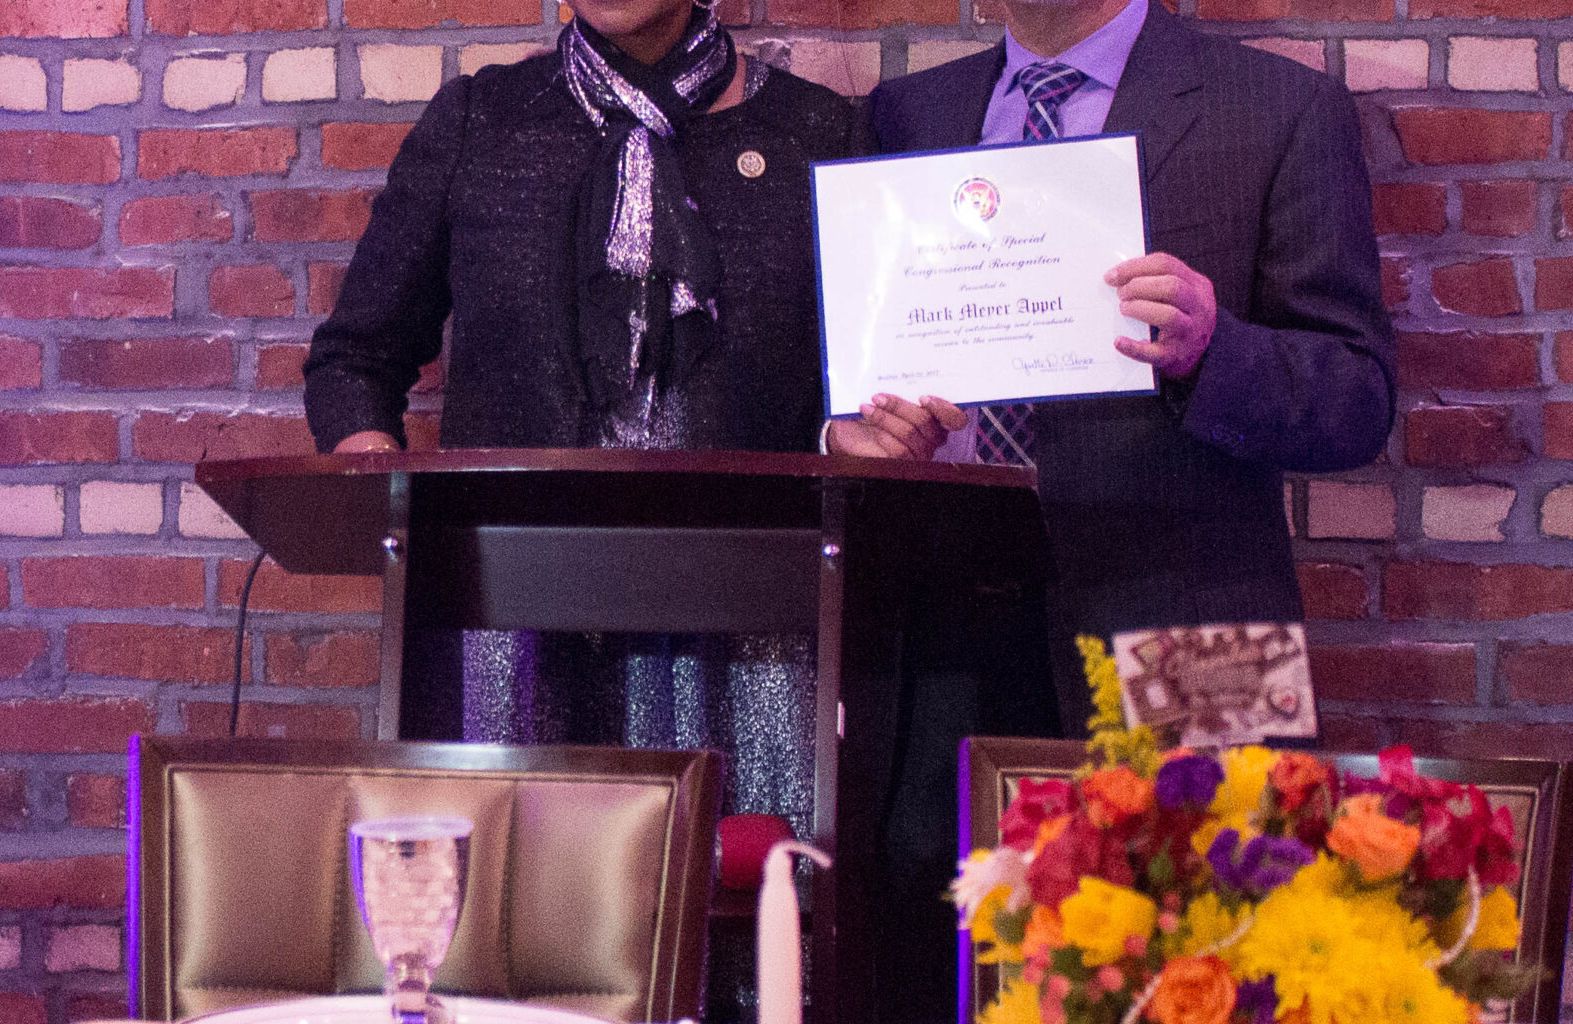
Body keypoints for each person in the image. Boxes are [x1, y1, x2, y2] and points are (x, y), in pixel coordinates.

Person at [304, 0, 953, 878]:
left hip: (747, 630)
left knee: (744, 923)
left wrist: (858, 436)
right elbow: (355, 356)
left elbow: (860, 385)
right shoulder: (480, 121)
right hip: (505, 620)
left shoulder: (817, 131)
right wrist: (377, 476)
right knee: (516, 913)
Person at [865, 0, 1397, 1019]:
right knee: (932, 972)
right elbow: (854, 358)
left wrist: (1214, 350)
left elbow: (1356, 402)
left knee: (1204, 968)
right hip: (943, 644)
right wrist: (853, 432)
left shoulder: (1283, 108)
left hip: (1198, 636)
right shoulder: (905, 116)